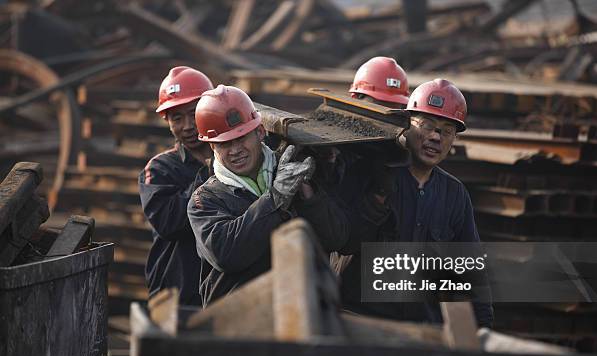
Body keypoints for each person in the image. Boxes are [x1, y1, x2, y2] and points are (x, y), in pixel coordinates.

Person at [339, 78, 493, 327]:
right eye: (427, 125)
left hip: (424, 329)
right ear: (407, 125)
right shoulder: (371, 175)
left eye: (446, 131)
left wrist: (483, 330)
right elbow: (341, 240)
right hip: (360, 322)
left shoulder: (454, 195)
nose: (435, 137)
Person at [188, 85, 349, 306]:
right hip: (239, 322)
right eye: (224, 143)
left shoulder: (293, 172)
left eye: (242, 137)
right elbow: (227, 254)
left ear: (260, 132)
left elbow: (336, 238)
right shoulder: (204, 200)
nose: (235, 150)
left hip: (301, 313)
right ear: (212, 147)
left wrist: (309, 196)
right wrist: (275, 198)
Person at [138, 66, 214, 305]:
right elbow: (170, 222)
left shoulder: (237, 160)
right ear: (167, 121)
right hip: (177, 296)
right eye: (177, 118)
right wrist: (213, 174)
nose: (188, 126)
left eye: (193, 114)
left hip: (222, 292)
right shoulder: (159, 169)